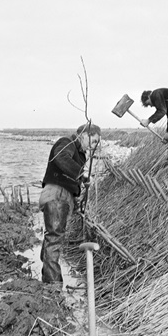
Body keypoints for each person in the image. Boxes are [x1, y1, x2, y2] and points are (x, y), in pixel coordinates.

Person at [39, 123, 101, 286]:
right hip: (57, 195)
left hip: (61, 197)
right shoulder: (66, 143)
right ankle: (53, 285)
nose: (92, 147)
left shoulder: (79, 155)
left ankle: (47, 276)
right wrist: (82, 173)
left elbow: (72, 178)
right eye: (93, 141)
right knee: (54, 238)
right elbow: (60, 157)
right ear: (84, 134)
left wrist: (80, 190)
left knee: (52, 237)